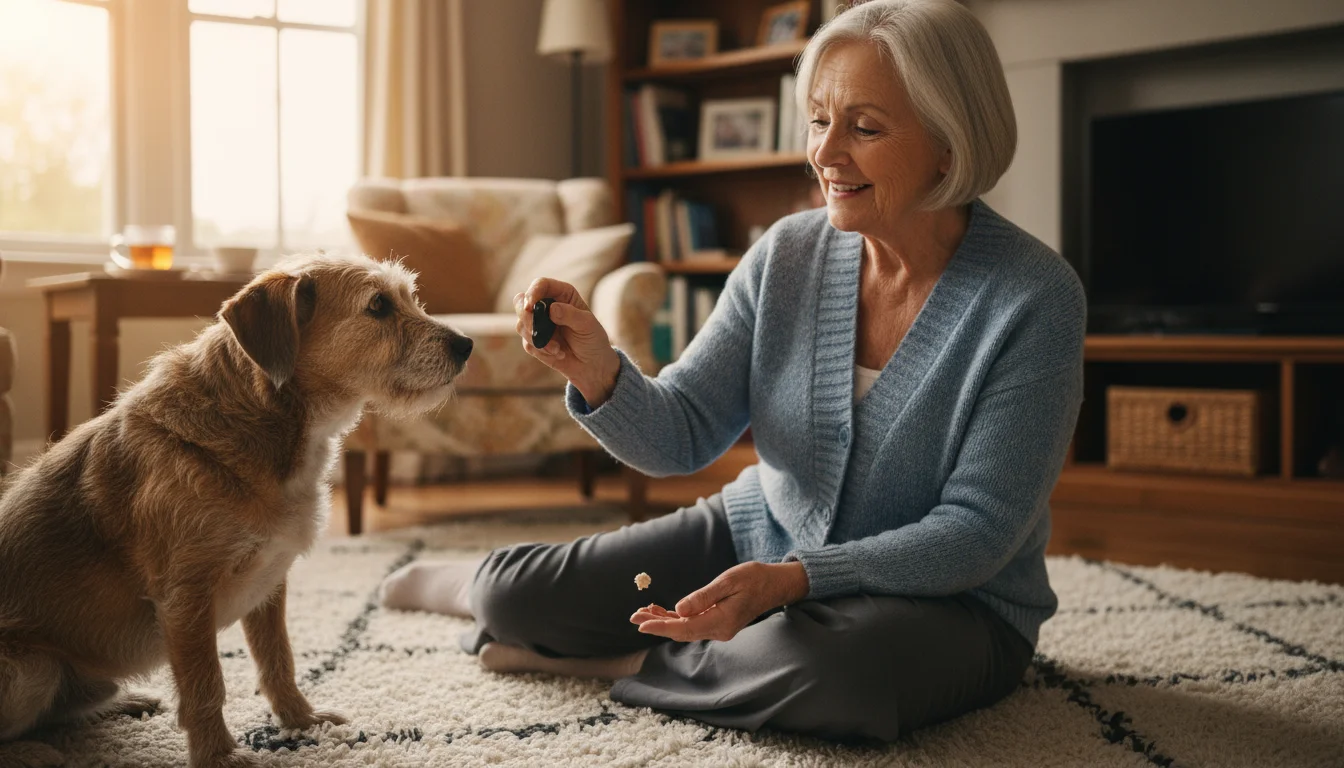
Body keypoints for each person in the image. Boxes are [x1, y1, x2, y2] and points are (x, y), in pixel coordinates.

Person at [379, 0, 1085, 743]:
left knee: (840, 674)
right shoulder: (786, 255)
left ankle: (621, 660)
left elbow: (976, 534)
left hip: (953, 607)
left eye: (865, 127)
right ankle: (489, 598)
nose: (826, 153)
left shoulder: (1034, 298)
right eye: (818, 120)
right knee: (520, 594)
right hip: (759, 535)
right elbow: (682, 433)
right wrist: (600, 375)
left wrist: (795, 580)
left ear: (950, 142)